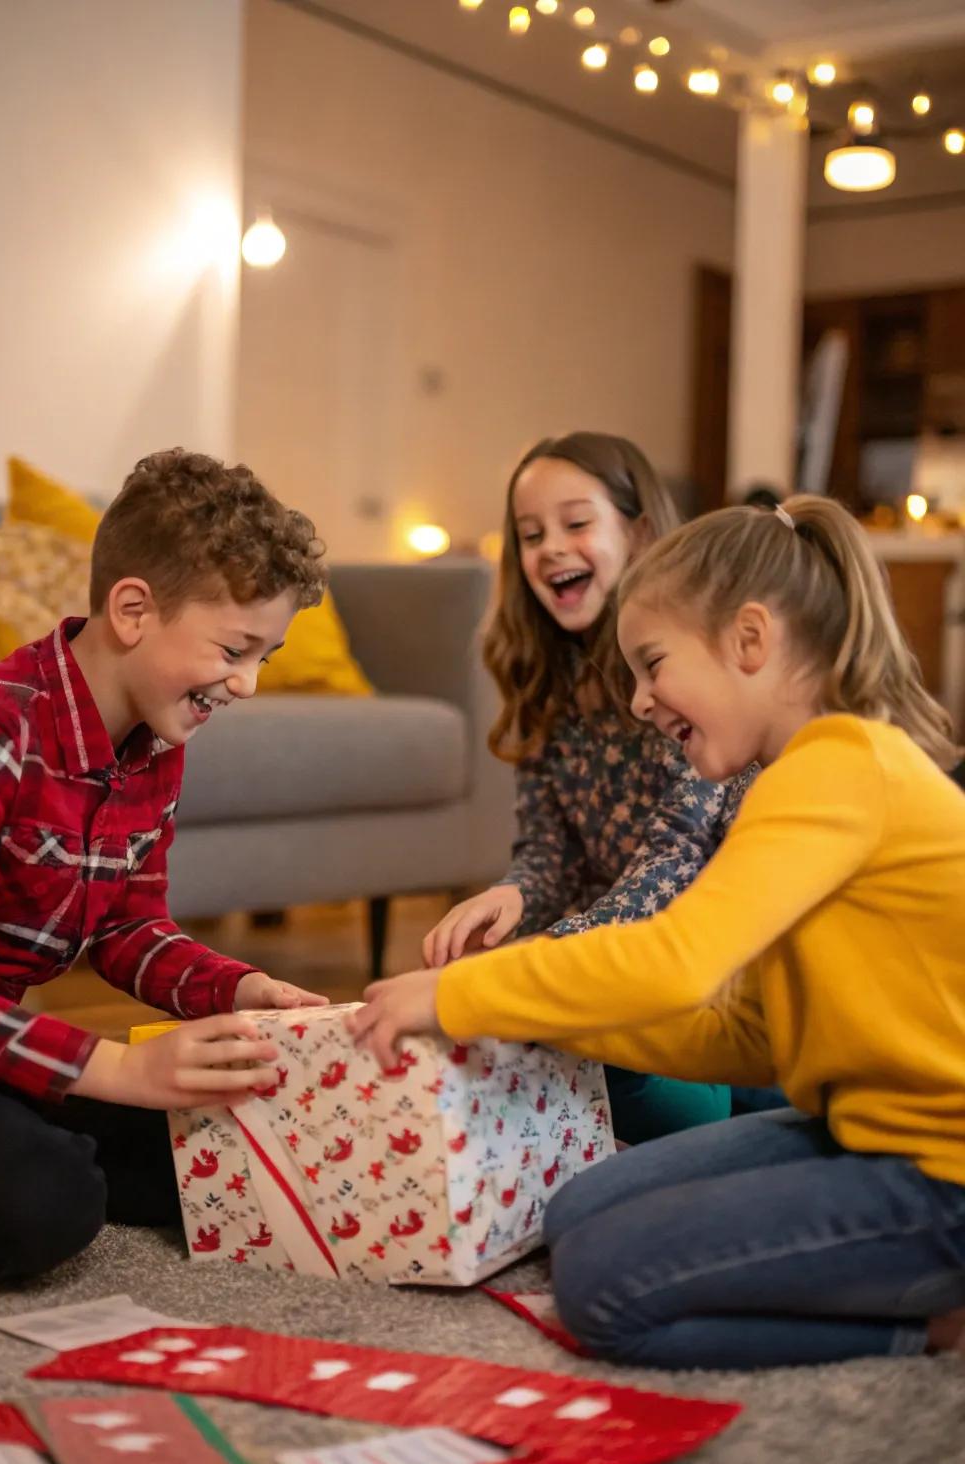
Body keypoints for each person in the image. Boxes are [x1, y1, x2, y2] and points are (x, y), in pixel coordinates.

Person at [351, 494, 965, 1371]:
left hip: (943, 1171)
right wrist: (527, 1013)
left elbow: (677, 960)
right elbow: (747, 1033)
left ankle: (936, 1325)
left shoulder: (839, 767)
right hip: (862, 1127)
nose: (639, 702)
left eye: (652, 664)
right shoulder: (801, 776)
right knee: (572, 1216)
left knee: (604, 1285)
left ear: (751, 641)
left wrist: (459, 995)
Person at [0, 448, 328, 1282]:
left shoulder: (154, 744)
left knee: (224, 1146)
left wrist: (238, 987)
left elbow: (126, 928)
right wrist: (111, 1066)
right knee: (47, 1206)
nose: (249, 684)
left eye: (266, 656)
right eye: (234, 648)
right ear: (132, 610)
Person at [422, 432, 749, 1141]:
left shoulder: (684, 674)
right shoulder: (544, 674)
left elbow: (677, 864)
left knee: (650, 1084)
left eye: (576, 523)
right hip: (618, 965)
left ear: (637, 533)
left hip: (718, 972)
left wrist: (538, 967)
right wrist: (509, 898)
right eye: (530, 533)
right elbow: (549, 851)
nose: (549, 548)